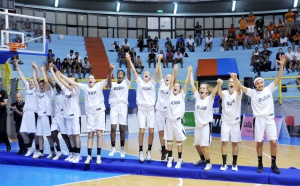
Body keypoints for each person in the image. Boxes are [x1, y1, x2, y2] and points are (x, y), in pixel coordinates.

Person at [232, 55, 286, 174]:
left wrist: (281, 65)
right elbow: (240, 87)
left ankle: (273, 164)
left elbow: (278, 77)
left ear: (263, 83)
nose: (260, 84)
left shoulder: (269, 89)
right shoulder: (252, 92)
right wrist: (235, 79)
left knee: (273, 142)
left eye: (261, 82)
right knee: (259, 142)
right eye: (258, 83)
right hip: (258, 120)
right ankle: (260, 163)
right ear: (255, 85)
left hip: (270, 119)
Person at [128, 53, 157, 162]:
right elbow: (134, 71)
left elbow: (157, 71)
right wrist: (129, 60)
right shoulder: (140, 82)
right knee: (141, 131)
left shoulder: (152, 84)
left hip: (150, 109)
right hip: (141, 109)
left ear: (150, 76)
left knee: (151, 132)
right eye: (144, 73)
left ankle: (148, 151)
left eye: (148, 73)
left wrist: (158, 60)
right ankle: (140, 151)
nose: (146, 73)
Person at [190, 68, 219, 171]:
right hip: (197, 126)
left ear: (207, 90)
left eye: (203, 88)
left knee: (204, 146)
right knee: (197, 145)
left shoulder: (209, 99)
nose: (201, 89)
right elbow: (192, 85)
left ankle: (208, 163)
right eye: (200, 88)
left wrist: (219, 84)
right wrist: (190, 72)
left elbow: (214, 92)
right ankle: (202, 159)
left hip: (206, 126)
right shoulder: (197, 97)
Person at [165, 65, 190, 169]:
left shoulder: (181, 95)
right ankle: (170, 158)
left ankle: (179, 160)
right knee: (169, 140)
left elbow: (186, 83)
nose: (175, 86)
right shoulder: (170, 94)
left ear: (180, 89)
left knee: (179, 141)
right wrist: (175, 70)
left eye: (177, 86)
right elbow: (171, 82)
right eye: (174, 86)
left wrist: (189, 72)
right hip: (169, 121)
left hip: (178, 122)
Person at [54, 71, 82, 163]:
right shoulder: (65, 90)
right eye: (69, 81)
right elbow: (57, 81)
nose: (70, 82)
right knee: (70, 136)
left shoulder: (76, 89)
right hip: (66, 116)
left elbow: (69, 85)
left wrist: (62, 76)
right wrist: (54, 73)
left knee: (76, 135)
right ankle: (73, 154)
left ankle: (78, 155)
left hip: (75, 115)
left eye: (71, 81)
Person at [107, 57, 131, 159]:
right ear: (117, 75)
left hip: (123, 106)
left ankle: (122, 148)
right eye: (118, 73)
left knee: (122, 128)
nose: (120, 74)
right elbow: (108, 83)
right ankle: (113, 147)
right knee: (113, 127)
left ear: (124, 76)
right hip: (114, 106)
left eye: (122, 74)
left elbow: (129, 71)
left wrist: (128, 60)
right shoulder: (112, 84)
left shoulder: (126, 82)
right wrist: (109, 71)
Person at [217, 77, 242, 171]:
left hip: (235, 122)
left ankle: (234, 164)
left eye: (233, 82)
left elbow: (239, 89)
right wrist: (219, 84)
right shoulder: (224, 93)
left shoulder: (238, 93)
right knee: (224, 142)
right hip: (225, 122)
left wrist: (236, 79)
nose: (231, 83)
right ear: (227, 84)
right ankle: (224, 163)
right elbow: (219, 92)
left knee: (235, 143)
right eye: (230, 82)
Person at [15, 61, 39, 157]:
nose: (30, 83)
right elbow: (22, 77)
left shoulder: (36, 90)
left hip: (33, 113)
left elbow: (36, 79)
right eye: (30, 82)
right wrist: (17, 67)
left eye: (32, 82)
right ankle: (30, 147)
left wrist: (33, 68)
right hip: (26, 113)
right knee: (22, 132)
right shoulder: (28, 88)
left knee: (34, 133)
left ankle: (37, 149)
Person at [31, 63, 55, 159]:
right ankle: (41, 151)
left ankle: (52, 151)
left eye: (42, 85)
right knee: (39, 134)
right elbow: (35, 79)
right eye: (40, 85)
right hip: (40, 116)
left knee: (48, 135)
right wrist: (34, 68)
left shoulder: (49, 93)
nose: (41, 86)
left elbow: (46, 81)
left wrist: (42, 70)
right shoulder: (38, 92)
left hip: (47, 116)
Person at [49, 65, 72, 160]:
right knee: (53, 134)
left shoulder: (64, 89)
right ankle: (59, 152)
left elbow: (58, 77)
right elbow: (51, 81)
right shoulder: (56, 89)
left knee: (64, 135)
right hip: (56, 115)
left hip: (63, 115)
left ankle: (71, 152)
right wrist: (46, 72)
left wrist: (54, 68)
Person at [153, 54, 170, 160]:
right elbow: (159, 71)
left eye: (170, 77)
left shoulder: (172, 87)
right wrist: (159, 60)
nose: (167, 78)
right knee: (160, 132)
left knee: (168, 133)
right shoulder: (162, 84)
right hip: (159, 110)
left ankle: (170, 151)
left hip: (167, 112)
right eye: (167, 77)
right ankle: (163, 150)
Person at [0, 85, 10, 152]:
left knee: (2, 130)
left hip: (2, 114)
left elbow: (5, 103)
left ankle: (7, 144)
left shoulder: (3, 92)